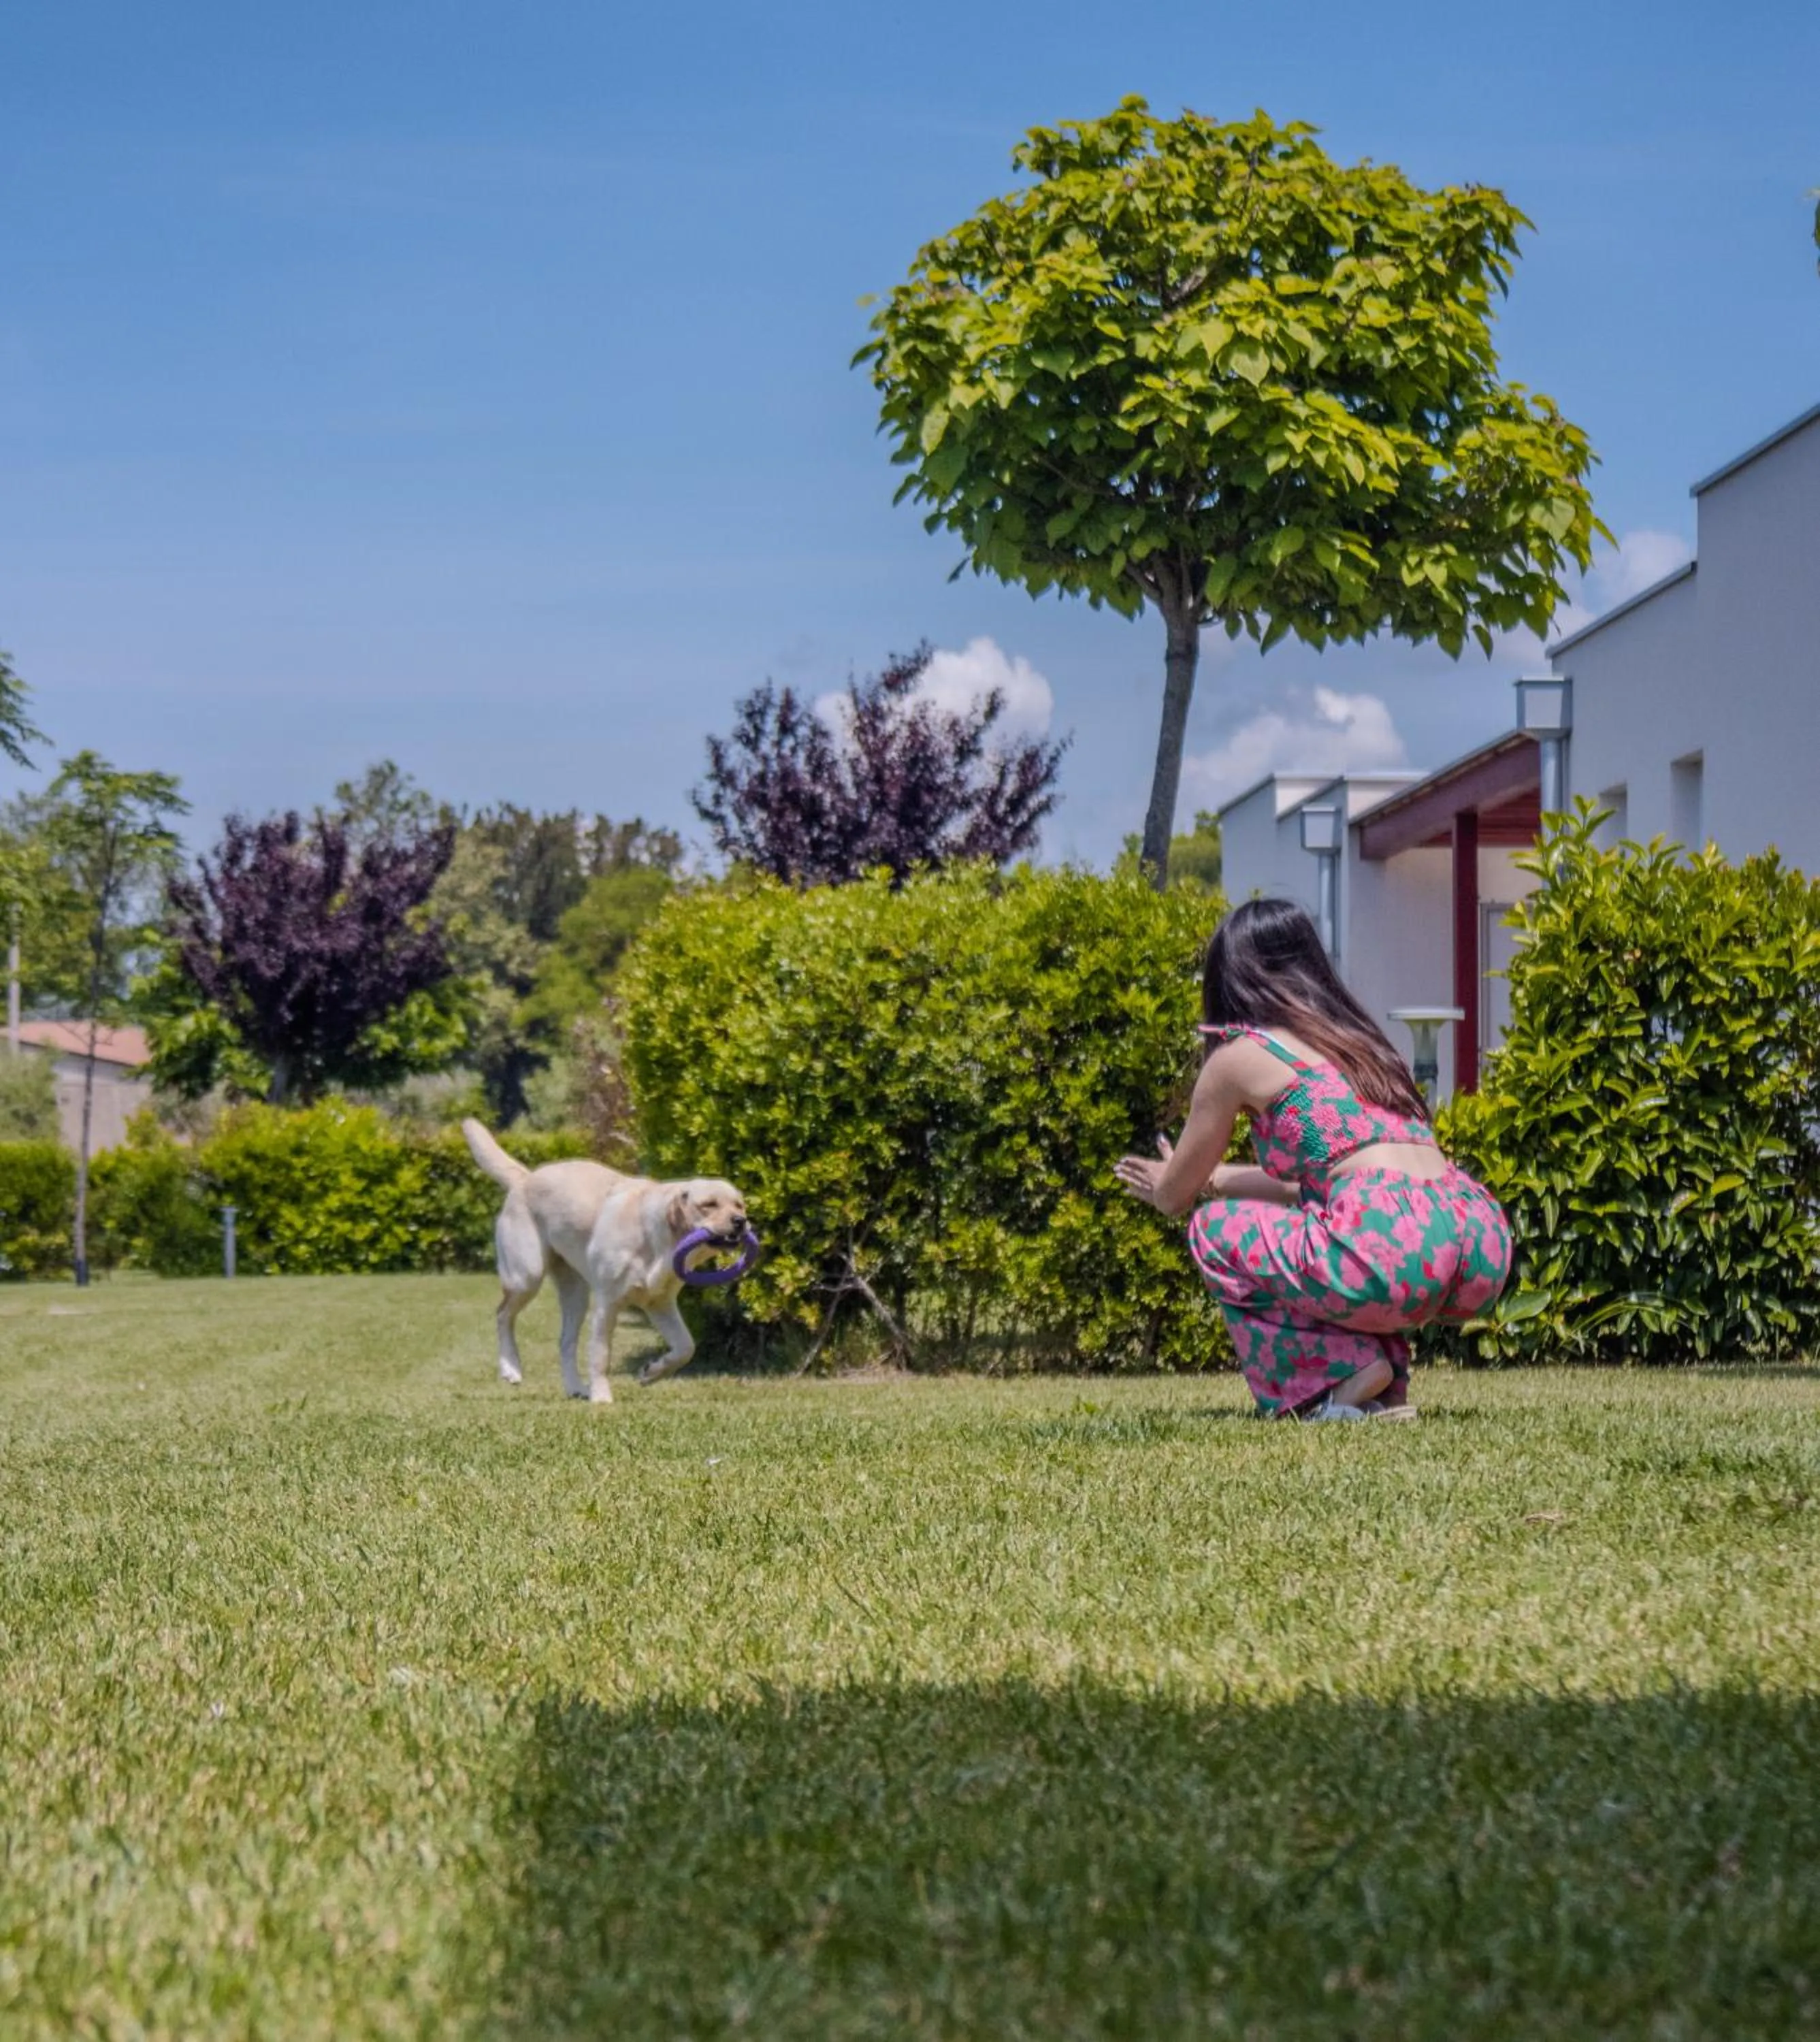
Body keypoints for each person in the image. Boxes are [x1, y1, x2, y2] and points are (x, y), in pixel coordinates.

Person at [1114, 896, 1511, 1421]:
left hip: (1387, 1247)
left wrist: (1169, 1182)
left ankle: (1333, 1386)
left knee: (1212, 1230)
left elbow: (1173, 1199)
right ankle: (1380, 1389)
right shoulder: (1358, 1044)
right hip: (1473, 1237)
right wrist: (1218, 1177)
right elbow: (1342, 1187)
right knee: (1333, 1229)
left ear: (1228, 978)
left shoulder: (1238, 1054)